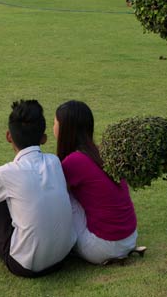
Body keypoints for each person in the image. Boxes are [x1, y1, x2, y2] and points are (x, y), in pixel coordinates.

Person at [0, 100, 75, 278]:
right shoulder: (54, 162)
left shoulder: (6, 173)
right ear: (43, 138)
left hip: (26, 265)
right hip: (62, 257)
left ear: (8, 136)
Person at [54, 101, 139, 264]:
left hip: (103, 248)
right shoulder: (101, 152)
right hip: (130, 238)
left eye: (55, 122)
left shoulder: (74, 161)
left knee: (62, 196)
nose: (53, 127)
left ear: (64, 128)